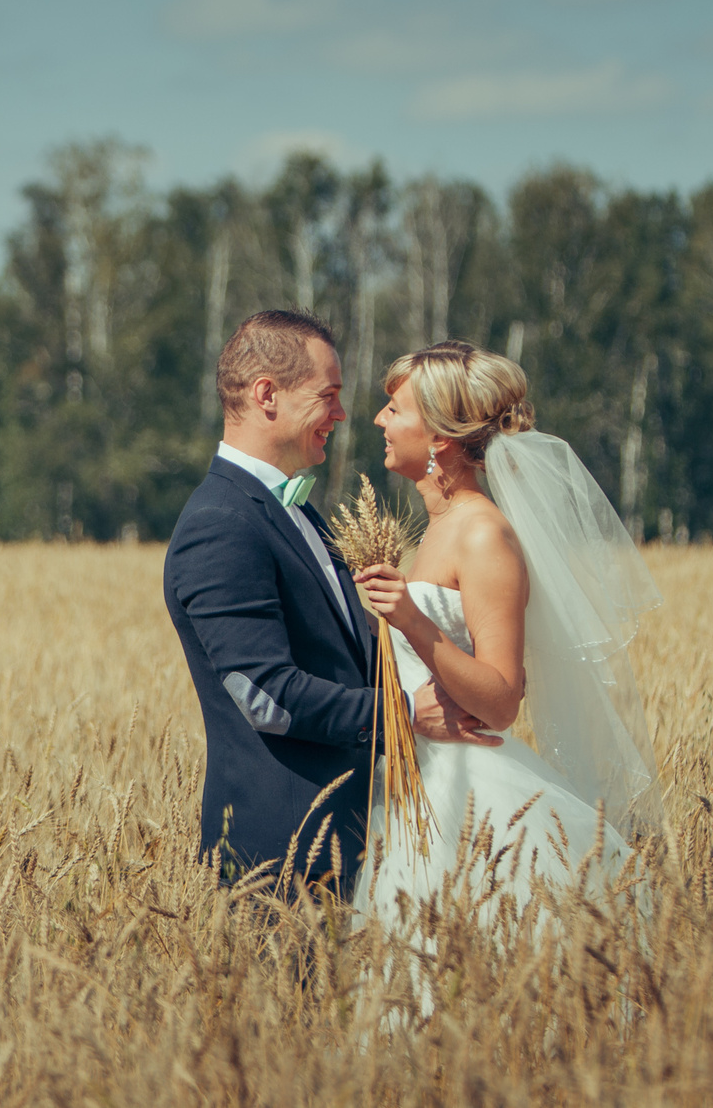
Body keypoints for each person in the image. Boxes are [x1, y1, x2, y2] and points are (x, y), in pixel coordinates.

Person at [163, 312, 500, 899]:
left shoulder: (295, 511)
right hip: (281, 854)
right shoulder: (221, 523)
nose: (343, 414)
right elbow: (266, 694)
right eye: (329, 395)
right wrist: (404, 714)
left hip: (355, 841)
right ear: (267, 394)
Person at [351, 340, 664, 925]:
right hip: (413, 786)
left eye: (395, 409)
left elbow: (499, 700)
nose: (379, 420)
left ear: (440, 437)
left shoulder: (482, 535)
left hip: (467, 797)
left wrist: (411, 618)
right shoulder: (440, 526)